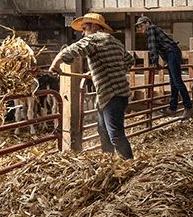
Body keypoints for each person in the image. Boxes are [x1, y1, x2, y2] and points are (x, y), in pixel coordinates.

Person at [49, 12, 135, 159]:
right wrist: (102, 71)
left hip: (111, 94)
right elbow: (129, 60)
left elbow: (71, 50)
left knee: (115, 134)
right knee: (103, 131)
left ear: (95, 26)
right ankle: (108, 162)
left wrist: (55, 64)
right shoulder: (114, 41)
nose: (83, 33)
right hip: (117, 94)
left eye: (84, 28)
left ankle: (130, 165)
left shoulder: (94, 39)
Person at [135, 15, 193, 119]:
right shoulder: (155, 29)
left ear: (147, 23)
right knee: (173, 82)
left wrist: (154, 62)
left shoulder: (151, 29)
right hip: (172, 54)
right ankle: (172, 108)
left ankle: (189, 107)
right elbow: (161, 46)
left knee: (177, 81)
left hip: (172, 53)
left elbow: (152, 47)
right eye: (139, 27)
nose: (140, 29)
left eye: (141, 26)